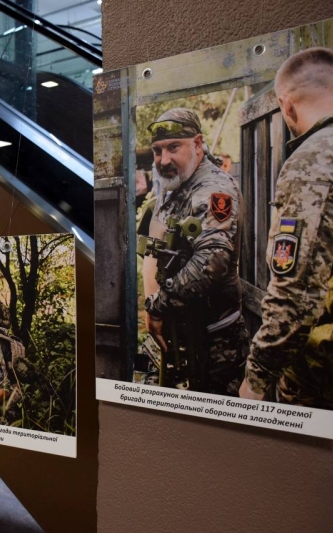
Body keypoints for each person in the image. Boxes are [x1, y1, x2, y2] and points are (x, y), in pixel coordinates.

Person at [240, 48, 333, 409]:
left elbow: (297, 291)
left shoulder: (316, 158)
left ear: (286, 107)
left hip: (328, 382)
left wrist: (256, 379)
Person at [141, 108, 247, 395]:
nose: (164, 160)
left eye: (174, 147)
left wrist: (158, 305)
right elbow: (156, 244)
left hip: (213, 344)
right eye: (157, 150)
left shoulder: (213, 188)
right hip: (179, 339)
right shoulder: (174, 185)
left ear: (197, 144)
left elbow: (213, 259)